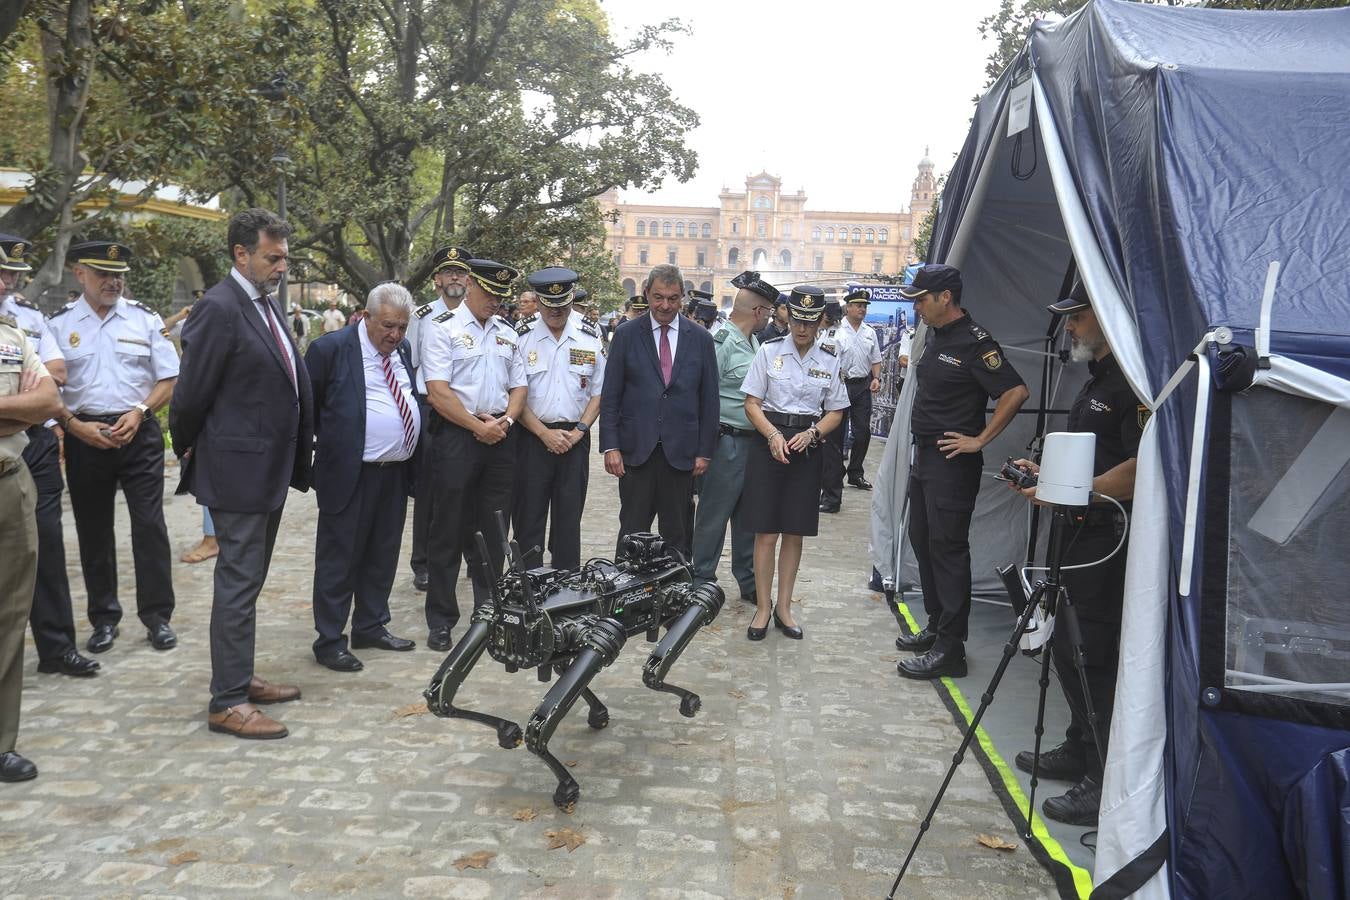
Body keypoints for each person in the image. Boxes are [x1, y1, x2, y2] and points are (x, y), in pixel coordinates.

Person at [171, 208, 312, 740]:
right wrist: (192, 449)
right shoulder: (219, 307)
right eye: (272, 257)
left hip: (266, 472)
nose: (281, 266)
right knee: (236, 583)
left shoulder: (262, 303)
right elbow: (190, 396)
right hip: (238, 472)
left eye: (284, 257)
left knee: (246, 583)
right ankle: (226, 702)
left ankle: (239, 675)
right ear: (240, 254)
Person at [1007, 282, 1139, 826]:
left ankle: (1104, 777)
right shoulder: (1097, 379)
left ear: (1105, 316)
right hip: (1077, 528)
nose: (1070, 328)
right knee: (1066, 645)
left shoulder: (1134, 383)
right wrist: (1050, 478)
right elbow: (1093, 458)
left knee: (1094, 656)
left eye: (1077, 317)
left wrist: (1081, 491)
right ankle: (1079, 747)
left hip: (1107, 535)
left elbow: (1141, 466)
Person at [894, 264, 1029, 679]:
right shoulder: (937, 336)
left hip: (953, 463)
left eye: (922, 299)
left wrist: (980, 439)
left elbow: (1015, 390)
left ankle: (952, 650)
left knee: (948, 551)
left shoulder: (975, 342)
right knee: (923, 540)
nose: (916, 306)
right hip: (927, 458)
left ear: (946, 297)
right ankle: (937, 627)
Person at [47, 240, 179, 656]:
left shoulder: (144, 319)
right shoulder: (58, 325)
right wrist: (71, 427)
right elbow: (48, 386)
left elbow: (169, 378)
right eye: (103, 273)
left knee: (149, 526)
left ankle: (157, 617)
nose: (113, 281)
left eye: (118, 274)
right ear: (79, 273)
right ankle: (104, 619)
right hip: (86, 435)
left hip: (137, 430)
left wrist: (140, 411)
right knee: (93, 529)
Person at [305, 282, 420, 672]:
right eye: (388, 325)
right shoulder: (330, 350)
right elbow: (307, 411)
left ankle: (371, 625)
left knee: (381, 555)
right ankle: (330, 639)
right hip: (350, 475)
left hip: (394, 473)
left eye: (402, 327)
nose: (396, 335)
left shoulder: (401, 350)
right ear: (366, 317)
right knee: (340, 559)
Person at [0, 235, 99, 678]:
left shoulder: (30, 319)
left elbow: (53, 380)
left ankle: (56, 648)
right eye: (3, 272)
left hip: (34, 445)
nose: (9, 281)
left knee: (45, 546)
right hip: (20, 431)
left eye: (14, 274)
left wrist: (28, 401)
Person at [420, 258, 526, 651]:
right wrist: (475, 425)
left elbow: (519, 388)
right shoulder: (442, 329)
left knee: (494, 528)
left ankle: (488, 612)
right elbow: (438, 391)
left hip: (500, 436)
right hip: (457, 437)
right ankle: (442, 618)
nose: (495, 302)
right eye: (490, 294)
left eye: (501, 296)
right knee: (447, 526)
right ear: (470, 286)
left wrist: (507, 423)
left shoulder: (507, 333)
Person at [740, 286, 849, 641]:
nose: (802, 329)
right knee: (766, 531)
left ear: (820, 321)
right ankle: (762, 606)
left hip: (807, 445)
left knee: (794, 530)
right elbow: (752, 403)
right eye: (797, 320)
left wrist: (814, 434)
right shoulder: (769, 352)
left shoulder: (830, 359)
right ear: (789, 316)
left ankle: (784, 607)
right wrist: (772, 435)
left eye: (810, 322)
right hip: (769, 443)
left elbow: (836, 410)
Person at [599, 264, 718, 558]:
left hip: (681, 455)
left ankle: (675, 596)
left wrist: (704, 451)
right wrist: (610, 446)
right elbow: (611, 395)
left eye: (673, 298)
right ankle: (625, 599)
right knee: (631, 532)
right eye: (658, 297)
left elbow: (709, 399)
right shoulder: (626, 335)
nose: (665, 305)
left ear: (682, 300)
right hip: (635, 452)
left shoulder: (700, 339)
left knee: (677, 534)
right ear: (646, 294)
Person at [0, 318, 65, 781]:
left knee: (8, 616)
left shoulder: (11, 335)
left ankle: (1, 744)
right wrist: (13, 408)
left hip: (8, 479)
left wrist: (26, 408)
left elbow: (48, 401)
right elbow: (30, 405)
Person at [512, 267, 605, 571]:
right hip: (531, 438)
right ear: (538, 303)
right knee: (529, 518)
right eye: (550, 306)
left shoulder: (590, 335)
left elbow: (599, 392)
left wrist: (579, 431)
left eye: (563, 305)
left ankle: (567, 585)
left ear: (571, 300)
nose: (557, 312)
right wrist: (543, 433)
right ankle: (527, 586)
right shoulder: (521, 335)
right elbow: (514, 393)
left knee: (569, 519)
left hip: (574, 439)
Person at [690, 271, 775, 605]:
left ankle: (748, 579)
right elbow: (703, 396)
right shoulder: (721, 342)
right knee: (714, 515)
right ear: (758, 312)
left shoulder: (754, 343)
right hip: (725, 443)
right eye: (767, 311)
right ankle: (702, 580)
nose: (769, 316)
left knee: (748, 518)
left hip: (752, 443)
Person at [406, 245, 473, 593]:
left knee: (466, 490)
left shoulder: (479, 315)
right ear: (437, 280)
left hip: (472, 414)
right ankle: (423, 563)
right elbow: (412, 363)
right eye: (449, 272)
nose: (455, 278)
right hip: (433, 409)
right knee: (430, 491)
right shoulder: (422, 316)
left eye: (461, 273)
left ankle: (464, 558)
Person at [823, 288, 883, 503]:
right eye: (858, 305)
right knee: (836, 434)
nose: (862, 309)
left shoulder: (869, 332)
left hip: (862, 387)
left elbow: (875, 359)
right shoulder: (835, 332)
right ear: (848, 307)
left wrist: (877, 378)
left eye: (865, 306)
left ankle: (855, 472)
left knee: (862, 432)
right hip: (840, 385)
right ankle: (834, 473)